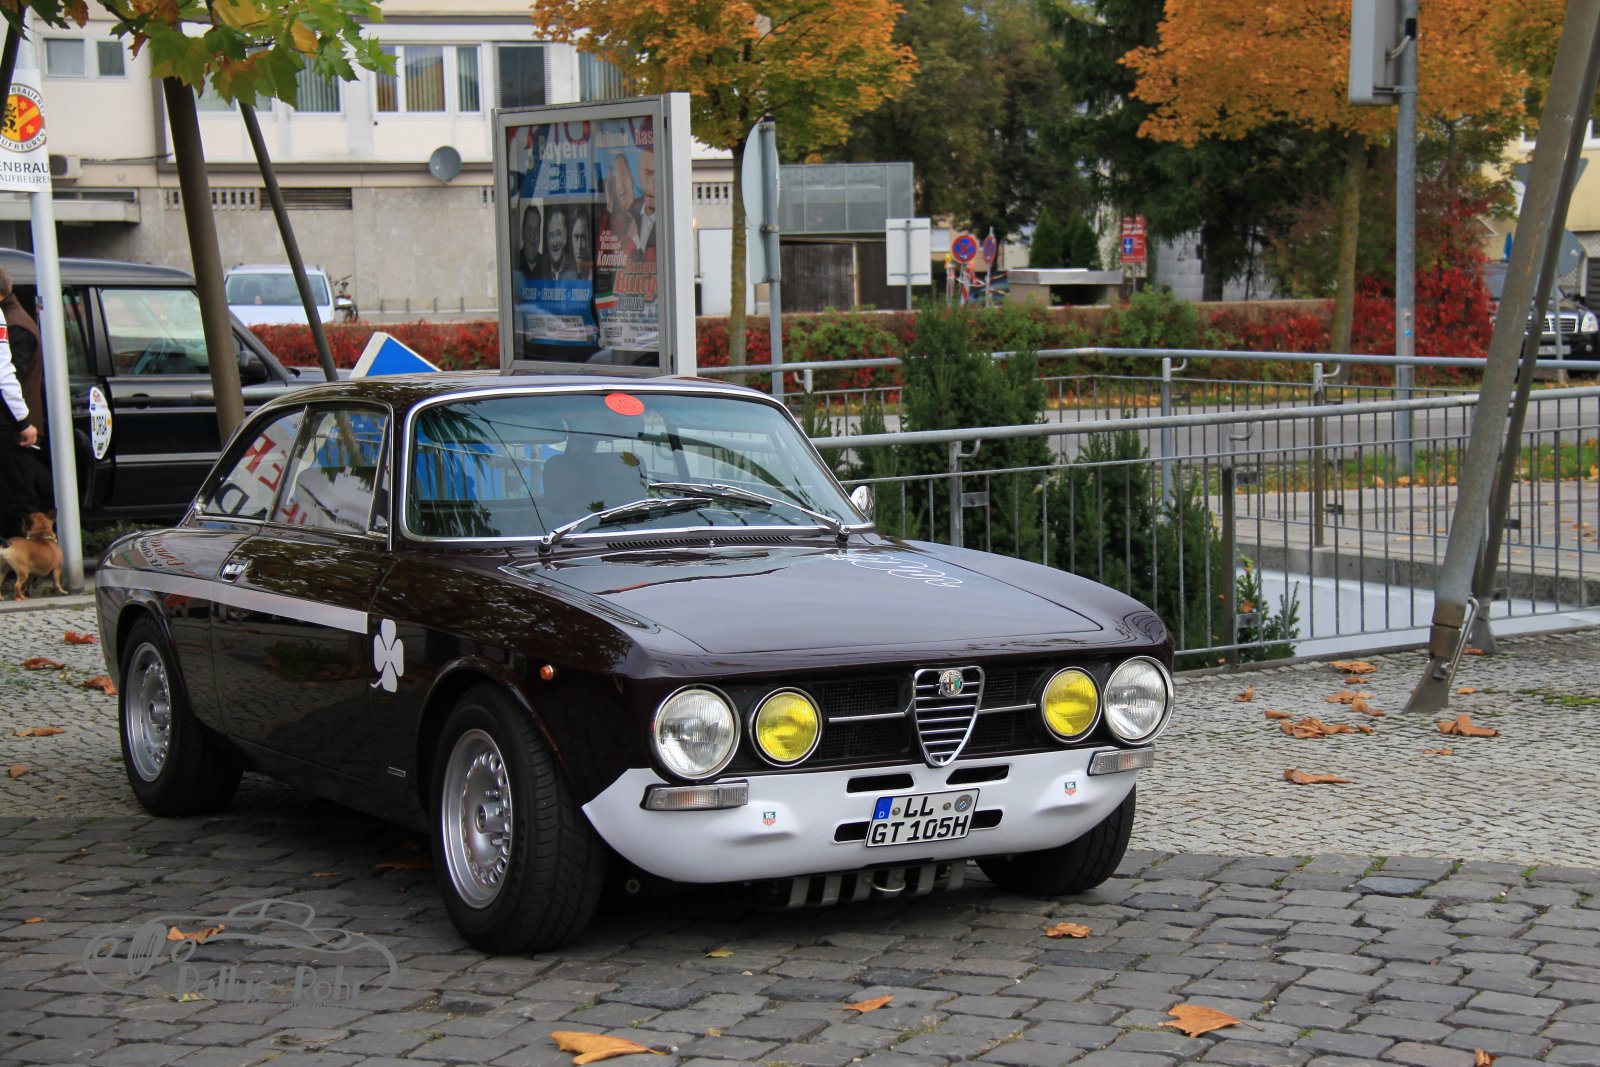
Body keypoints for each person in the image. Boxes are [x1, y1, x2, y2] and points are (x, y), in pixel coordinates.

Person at [0, 272, 39, 539]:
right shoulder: (10, 320)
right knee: (18, 504)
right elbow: (4, 376)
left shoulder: (14, 321)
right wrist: (23, 422)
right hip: (8, 426)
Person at [539, 206, 577, 281]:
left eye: (558, 234)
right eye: (551, 235)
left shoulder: (574, 269)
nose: (555, 243)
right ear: (547, 238)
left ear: (565, 237)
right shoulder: (539, 270)